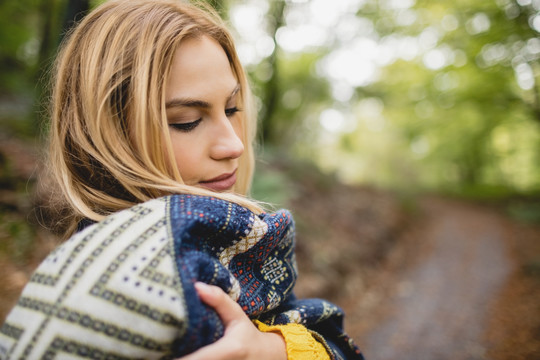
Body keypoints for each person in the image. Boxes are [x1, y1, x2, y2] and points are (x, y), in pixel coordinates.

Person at [0, 0, 364, 359]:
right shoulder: (92, 296)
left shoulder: (233, 249)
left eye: (232, 109)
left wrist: (270, 350)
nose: (234, 145)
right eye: (186, 120)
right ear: (102, 133)